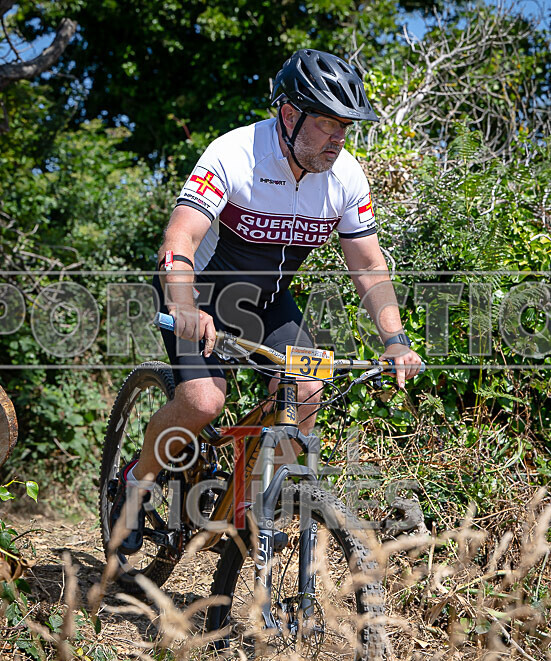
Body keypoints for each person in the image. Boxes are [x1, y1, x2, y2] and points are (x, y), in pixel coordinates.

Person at [111, 48, 423, 554]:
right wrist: (186, 307)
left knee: (307, 386)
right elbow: (181, 238)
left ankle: (250, 508)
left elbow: (367, 264)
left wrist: (395, 338)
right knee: (204, 400)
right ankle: (136, 482)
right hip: (203, 294)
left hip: (269, 300)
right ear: (289, 113)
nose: (339, 137)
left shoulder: (346, 177)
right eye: (326, 122)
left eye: (346, 125)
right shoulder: (235, 154)